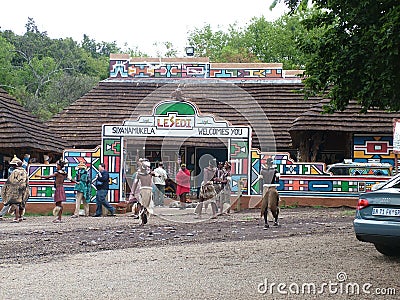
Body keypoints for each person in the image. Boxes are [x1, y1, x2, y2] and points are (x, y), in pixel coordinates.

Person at [1, 156, 29, 222]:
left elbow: (11, 181)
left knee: (15, 203)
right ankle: (20, 216)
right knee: (21, 203)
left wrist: (7, 187)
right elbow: (27, 181)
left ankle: (16, 217)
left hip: (15, 189)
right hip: (23, 189)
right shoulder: (24, 171)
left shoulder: (15, 171)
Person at [131, 160, 155, 225]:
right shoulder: (149, 173)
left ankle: (142, 215)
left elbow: (135, 183)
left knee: (141, 203)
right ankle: (143, 215)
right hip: (147, 190)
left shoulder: (140, 174)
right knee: (145, 204)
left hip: (143, 190)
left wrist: (133, 192)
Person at [259, 157, 280, 229]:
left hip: (265, 188)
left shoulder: (262, 171)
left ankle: (266, 223)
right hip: (273, 188)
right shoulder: (275, 171)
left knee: (264, 206)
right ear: (272, 163)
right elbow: (277, 181)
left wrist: (261, 191)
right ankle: (276, 221)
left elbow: (261, 181)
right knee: (275, 205)